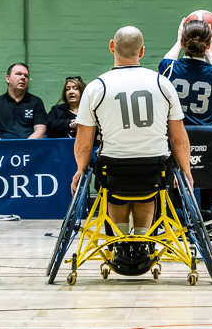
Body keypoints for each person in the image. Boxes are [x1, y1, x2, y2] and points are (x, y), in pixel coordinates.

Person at [72, 26, 190, 264]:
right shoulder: (163, 84)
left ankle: (121, 243)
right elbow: (178, 138)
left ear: (112, 47)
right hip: (154, 168)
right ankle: (142, 242)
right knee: (147, 188)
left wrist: (80, 170)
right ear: (142, 52)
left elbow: (84, 143)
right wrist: (186, 171)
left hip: (114, 169)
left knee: (115, 186)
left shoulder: (96, 87)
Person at [159, 18, 212, 215]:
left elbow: (164, 63)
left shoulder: (170, 69)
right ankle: (206, 212)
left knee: (173, 170)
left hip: (176, 138)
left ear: (183, 42)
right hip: (207, 139)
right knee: (210, 171)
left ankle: (180, 213)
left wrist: (177, 42)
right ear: (207, 45)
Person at [0, 63, 47, 140]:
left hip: (29, 148)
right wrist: (5, 148)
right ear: (8, 78)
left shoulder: (36, 102)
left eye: (26, 76)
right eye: (18, 74)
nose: (23, 77)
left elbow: (40, 132)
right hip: (2, 148)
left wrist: (24, 146)